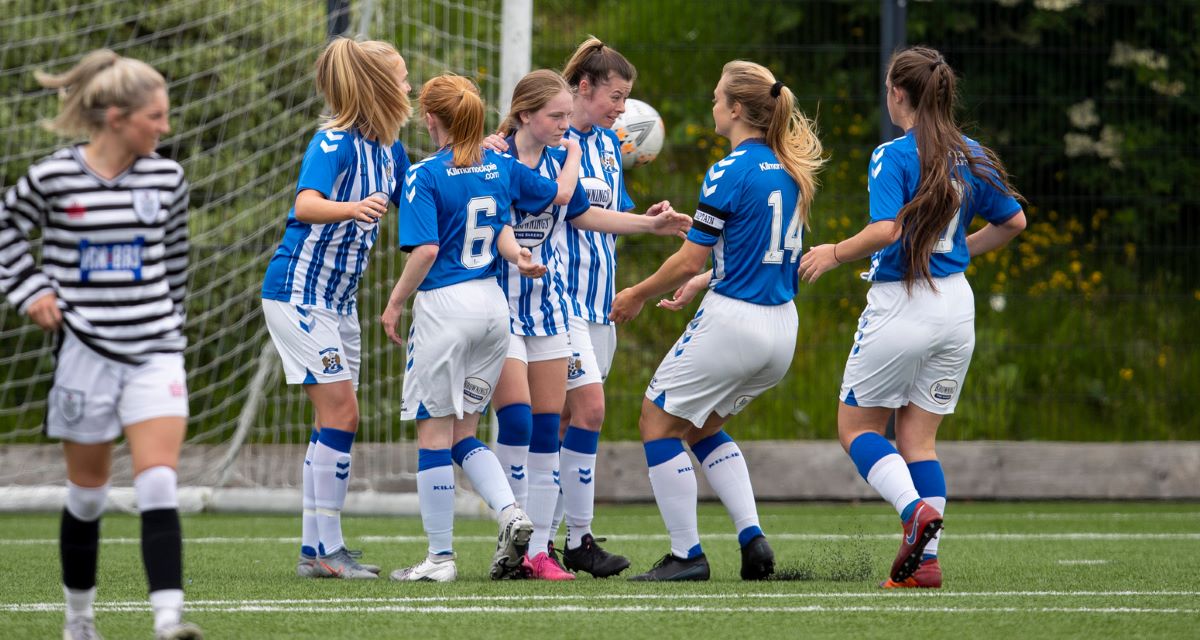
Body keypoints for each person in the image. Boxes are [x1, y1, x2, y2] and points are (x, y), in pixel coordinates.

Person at [798, 46, 1026, 588]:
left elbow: (886, 230)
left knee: (856, 427)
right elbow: (1014, 221)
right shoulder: (974, 155)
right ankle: (926, 563)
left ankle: (912, 513)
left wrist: (833, 252)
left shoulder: (894, 154)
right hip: (956, 304)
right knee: (919, 442)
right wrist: (959, 251)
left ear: (898, 94)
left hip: (905, 300)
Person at [0, 50, 202, 639]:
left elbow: (175, 263)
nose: (164, 128)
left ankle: (168, 619)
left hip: (154, 352)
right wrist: (32, 289)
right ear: (116, 117)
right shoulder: (54, 177)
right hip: (83, 356)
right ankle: (79, 619)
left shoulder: (167, 177)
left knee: (159, 480)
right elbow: (6, 227)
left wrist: (169, 327)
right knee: (86, 498)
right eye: (155, 117)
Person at [610, 60, 825, 581]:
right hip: (780, 328)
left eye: (715, 97)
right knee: (702, 425)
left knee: (656, 422)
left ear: (735, 109)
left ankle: (687, 556)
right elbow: (761, 253)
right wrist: (706, 280)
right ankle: (754, 543)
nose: (711, 105)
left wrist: (636, 293)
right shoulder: (791, 167)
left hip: (735, 323)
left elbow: (689, 257)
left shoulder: (730, 170)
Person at [379, 73, 583, 583]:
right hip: (495, 312)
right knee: (465, 433)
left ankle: (441, 559)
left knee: (433, 432)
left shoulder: (424, 175)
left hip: (446, 309)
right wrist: (576, 155)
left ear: (431, 120)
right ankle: (514, 514)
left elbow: (426, 251)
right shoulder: (500, 167)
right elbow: (556, 193)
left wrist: (394, 302)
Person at [490, 70, 690, 580]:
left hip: (570, 306)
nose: (622, 107)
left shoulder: (587, 150)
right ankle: (530, 541)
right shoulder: (510, 155)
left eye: (627, 97)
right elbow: (552, 203)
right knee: (541, 418)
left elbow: (584, 212)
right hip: (524, 304)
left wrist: (650, 224)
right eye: (614, 95)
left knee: (562, 419)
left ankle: (552, 544)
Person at [260, 37, 412, 580]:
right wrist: (351, 208)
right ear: (376, 88)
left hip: (338, 303)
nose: (409, 86)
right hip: (299, 294)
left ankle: (315, 549)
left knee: (335, 419)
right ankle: (327, 550)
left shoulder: (391, 149)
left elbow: (416, 194)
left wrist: (472, 153)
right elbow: (305, 204)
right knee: (343, 414)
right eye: (401, 78)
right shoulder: (334, 142)